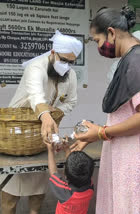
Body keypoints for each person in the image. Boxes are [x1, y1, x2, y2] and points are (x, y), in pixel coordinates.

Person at [70, 6, 140, 214]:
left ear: (111, 32)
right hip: (130, 158)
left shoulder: (138, 61)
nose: (99, 47)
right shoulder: (132, 59)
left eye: (98, 41)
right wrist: (97, 132)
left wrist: (102, 132)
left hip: (136, 163)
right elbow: (128, 114)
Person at [0, 30, 83, 214]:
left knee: (38, 191)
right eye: (64, 60)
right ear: (53, 53)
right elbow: (36, 95)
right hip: (18, 132)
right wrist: (46, 114)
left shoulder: (70, 75)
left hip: (42, 136)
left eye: (71, 62)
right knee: (11, 194)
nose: (67, 65)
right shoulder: (36, 67)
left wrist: (58, 111)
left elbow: (72, 101)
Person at [45, 141, 94, 214]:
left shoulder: (64, 192)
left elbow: (53, 172)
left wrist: (50, 150)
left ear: (65, 176)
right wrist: (67, 149)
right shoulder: (90, 186)